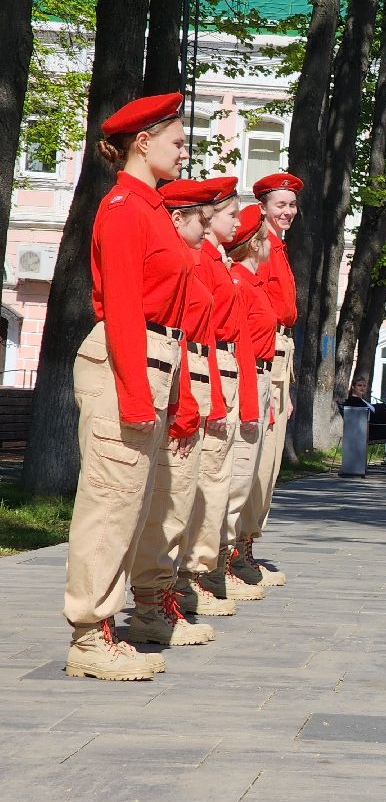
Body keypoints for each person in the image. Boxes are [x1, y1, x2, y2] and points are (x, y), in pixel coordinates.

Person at [63, 93, 192, 681]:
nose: (183, 149)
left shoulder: (151, 207)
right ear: (145, 141)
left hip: (149, 360)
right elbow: (120, 305)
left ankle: (108, 626)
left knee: (130, 504)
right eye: (177, 139)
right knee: (110, 502)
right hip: (125, 362)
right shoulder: (123, 208)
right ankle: (90, 637)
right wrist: (137, 394)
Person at [126, 179, 225, 648]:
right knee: (159, 501)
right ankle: (147, 605)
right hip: (163, 372)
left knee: (176, 500)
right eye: (204, 218)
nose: (209, 227)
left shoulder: (196, 259)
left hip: (180, 375)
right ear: (178, 217)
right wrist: (184, 402)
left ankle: (160, 596)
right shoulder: (175, 253)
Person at [190, 179, 265, 606]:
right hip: (211, 370)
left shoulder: (216, 262)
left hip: (226, 372)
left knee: (227, 482)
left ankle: (212, 567)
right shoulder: (207, 261)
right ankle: (196, 576)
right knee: (210, 482)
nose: (237, 223)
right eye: (231, 214)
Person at [213, 204, 275, 598]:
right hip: (242, 380)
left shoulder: (249, 284)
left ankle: (224, 563)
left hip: (256, 379)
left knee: (244, 479)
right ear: (255, 245)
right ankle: (214, 569)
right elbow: (239, 346)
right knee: (233, 479)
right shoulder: (238, 283)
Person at [245, 171, 304, 585]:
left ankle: (243, 548)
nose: (288, 212)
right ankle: (234, 554)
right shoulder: (260, 244)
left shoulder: (277, 247)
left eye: (292, 205)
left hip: (279, 356)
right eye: (280, 205)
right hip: (263, 354)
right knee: (254, 462)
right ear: (263, 206)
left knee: (267, 464)